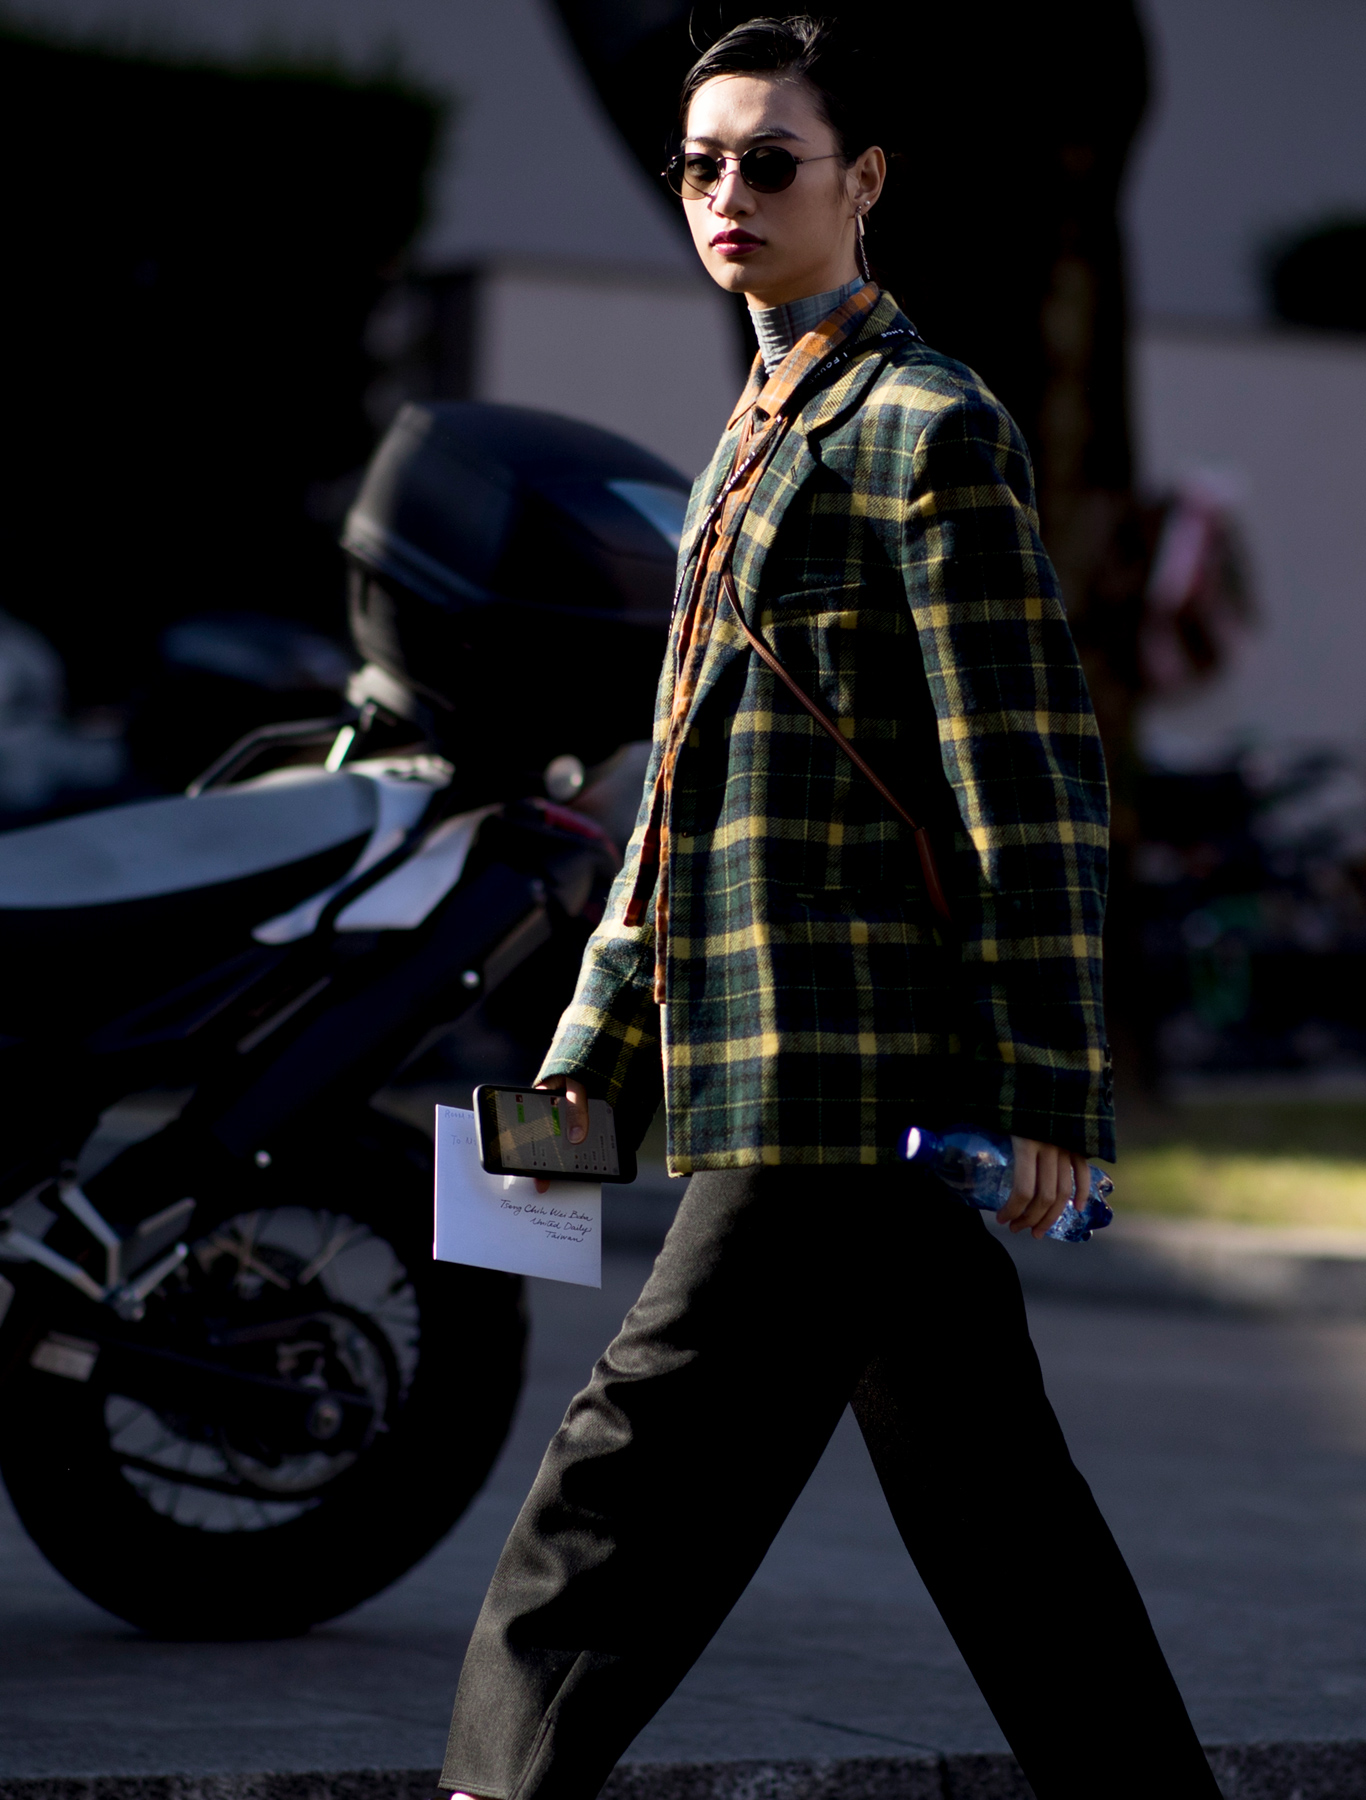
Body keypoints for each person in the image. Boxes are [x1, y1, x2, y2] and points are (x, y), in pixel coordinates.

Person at [435, 18, 1222, 1800]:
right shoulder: (749, 432)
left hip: (841, 1082)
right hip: (754, 1056)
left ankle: (497, 1790)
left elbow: (1027, 783)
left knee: (626, 1472)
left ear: (863, 182)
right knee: (999, 1507)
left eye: (770, 160)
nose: (729, 192)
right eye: (700, 164)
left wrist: (1047, 1090)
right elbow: (679, 805)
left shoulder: (929, 429)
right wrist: (582, 1068)